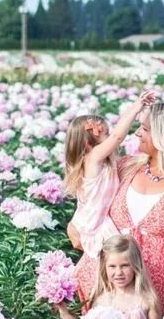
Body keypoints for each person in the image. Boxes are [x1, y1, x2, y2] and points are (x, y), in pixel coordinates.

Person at [74, 101, 164, 314]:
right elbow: (91, 198)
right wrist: (75, 226)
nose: (137, 133)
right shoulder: (125, 167)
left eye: (145, 129)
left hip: (158, 292)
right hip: (103, 282)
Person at [64, 91, 154, 260]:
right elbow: (118, 136)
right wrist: (137, 107)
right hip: (94, 224)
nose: (110, 138)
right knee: (119, 261)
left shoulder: (101, 162)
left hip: (92, 220)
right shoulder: (93, 159)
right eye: (105, 134)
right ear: (88, 143)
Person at [57, 235, 160, 319]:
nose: (118, 272)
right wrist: (64, 314)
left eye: (125, 266)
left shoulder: (146, 300)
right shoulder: (101, 300)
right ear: (104, 267)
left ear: (136, 265)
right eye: (112, 266)